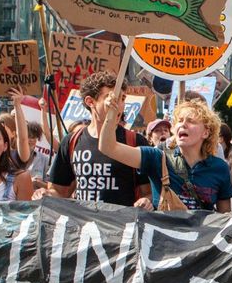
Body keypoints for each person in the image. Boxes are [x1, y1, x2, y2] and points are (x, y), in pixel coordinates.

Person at [96, 99, 232, 212]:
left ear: (206, 132)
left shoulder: (219, 168)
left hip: (202, 245)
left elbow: (224, 219)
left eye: (191, 121)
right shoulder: (157, 157)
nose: (183, 125)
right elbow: (108, 147)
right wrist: (110, 115)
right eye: (179, 121)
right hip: (164, 244)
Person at [40, 72, 151, 208]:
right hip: (85, 225)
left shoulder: (135, 141)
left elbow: (150, 192)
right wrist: (45, 194)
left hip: (122, 226)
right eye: (110, 98)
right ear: (90, 101)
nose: (118, 105)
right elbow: (59, 191)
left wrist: (147, 201)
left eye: (122, 98)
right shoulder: (72, 141)